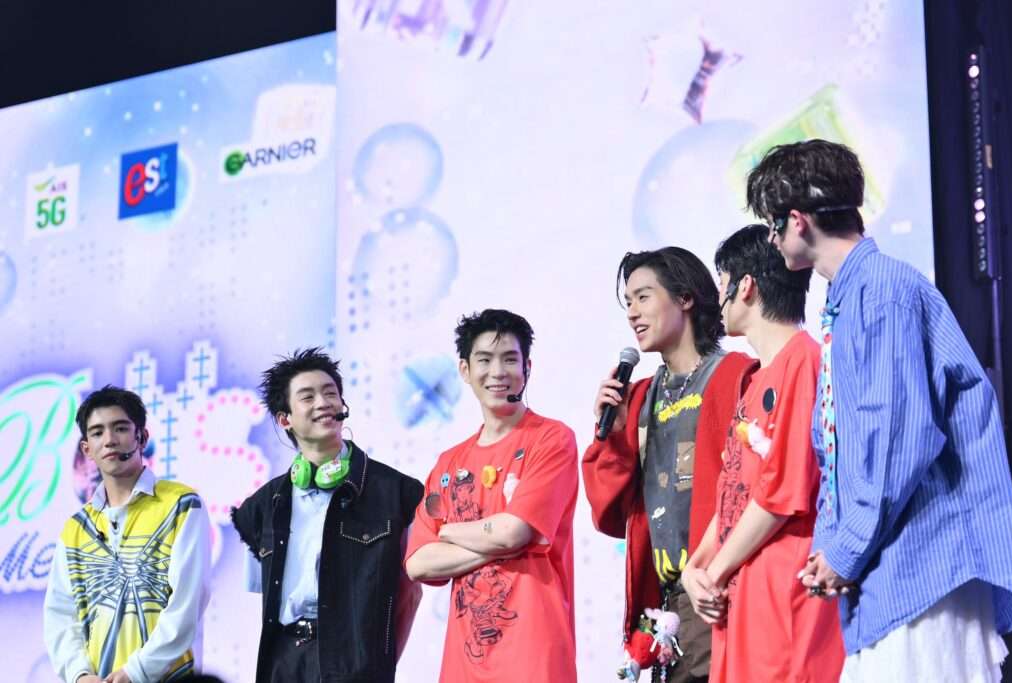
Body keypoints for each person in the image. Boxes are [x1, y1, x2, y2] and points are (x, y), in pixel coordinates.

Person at [749, 138, 1012, 681]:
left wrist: (845, 549)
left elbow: (897, 439)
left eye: (773, 225)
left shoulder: (881, 292)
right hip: (894, 567)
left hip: (925, 561)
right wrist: (835, 547)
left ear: (798, 220)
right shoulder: (852, 298)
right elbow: (845, 446)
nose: (773, 239)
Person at [582, 248, 756, 682]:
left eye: (643, 297)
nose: (632, 312)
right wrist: (612, 438)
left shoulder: (737, 376)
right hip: (663, 606)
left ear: (685, 298)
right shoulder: (639, 396)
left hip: (718, 591)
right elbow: (608, 514)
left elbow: (755, 486)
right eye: (628, 302)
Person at [681, 224, 843, 681]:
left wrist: (716, 569)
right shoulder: (755, 380)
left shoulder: (804, 360)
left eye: (722, 285)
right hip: (742, 588)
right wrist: (697, 568)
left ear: (746, 286)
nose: (718, 300)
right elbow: (735, 488)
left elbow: (782, 490)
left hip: (782, 585)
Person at [405, 309, 579, 682]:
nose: (497, 372)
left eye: (510, 359)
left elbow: (513, 532)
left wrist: (449, 531)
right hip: (463, 666)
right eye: (484, 360)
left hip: (534, 657)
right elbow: (418, 563)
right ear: (465, 370)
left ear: (527, 367)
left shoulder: (551, 439)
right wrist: (502, 540)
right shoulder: (449, 463)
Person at [231, 348, 423, 683]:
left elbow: (410, 594)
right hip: (284, 663)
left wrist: (378, 663)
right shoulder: (261, 506)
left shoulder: (395, 491)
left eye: (330, 393)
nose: (323, 402)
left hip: (355, 665)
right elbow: (266, 599)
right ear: (285, 419)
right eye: (307, 397)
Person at [44, 385, 211, 683]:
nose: (109, 440)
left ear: (142, 437)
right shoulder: (76, 528)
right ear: (87, 449)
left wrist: (136, 672)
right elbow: (60, 615)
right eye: (97, 433)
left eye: (120, 428)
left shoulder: (181, 505)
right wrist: (79, 674)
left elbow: (188, 602)